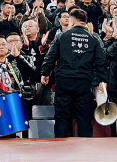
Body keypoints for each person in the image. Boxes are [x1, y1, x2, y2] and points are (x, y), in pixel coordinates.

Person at [40, 9, 106, 138]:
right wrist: (102, 80)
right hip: (84, 82)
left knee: (62, 116)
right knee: (84, 117)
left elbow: (50, 56)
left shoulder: (62, 36)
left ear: (72, 22)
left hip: (64, 81)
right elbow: (101, 61)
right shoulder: (93, 39)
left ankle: (61, 144)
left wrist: (45, 73)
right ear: (85, 23)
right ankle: (85, 146)